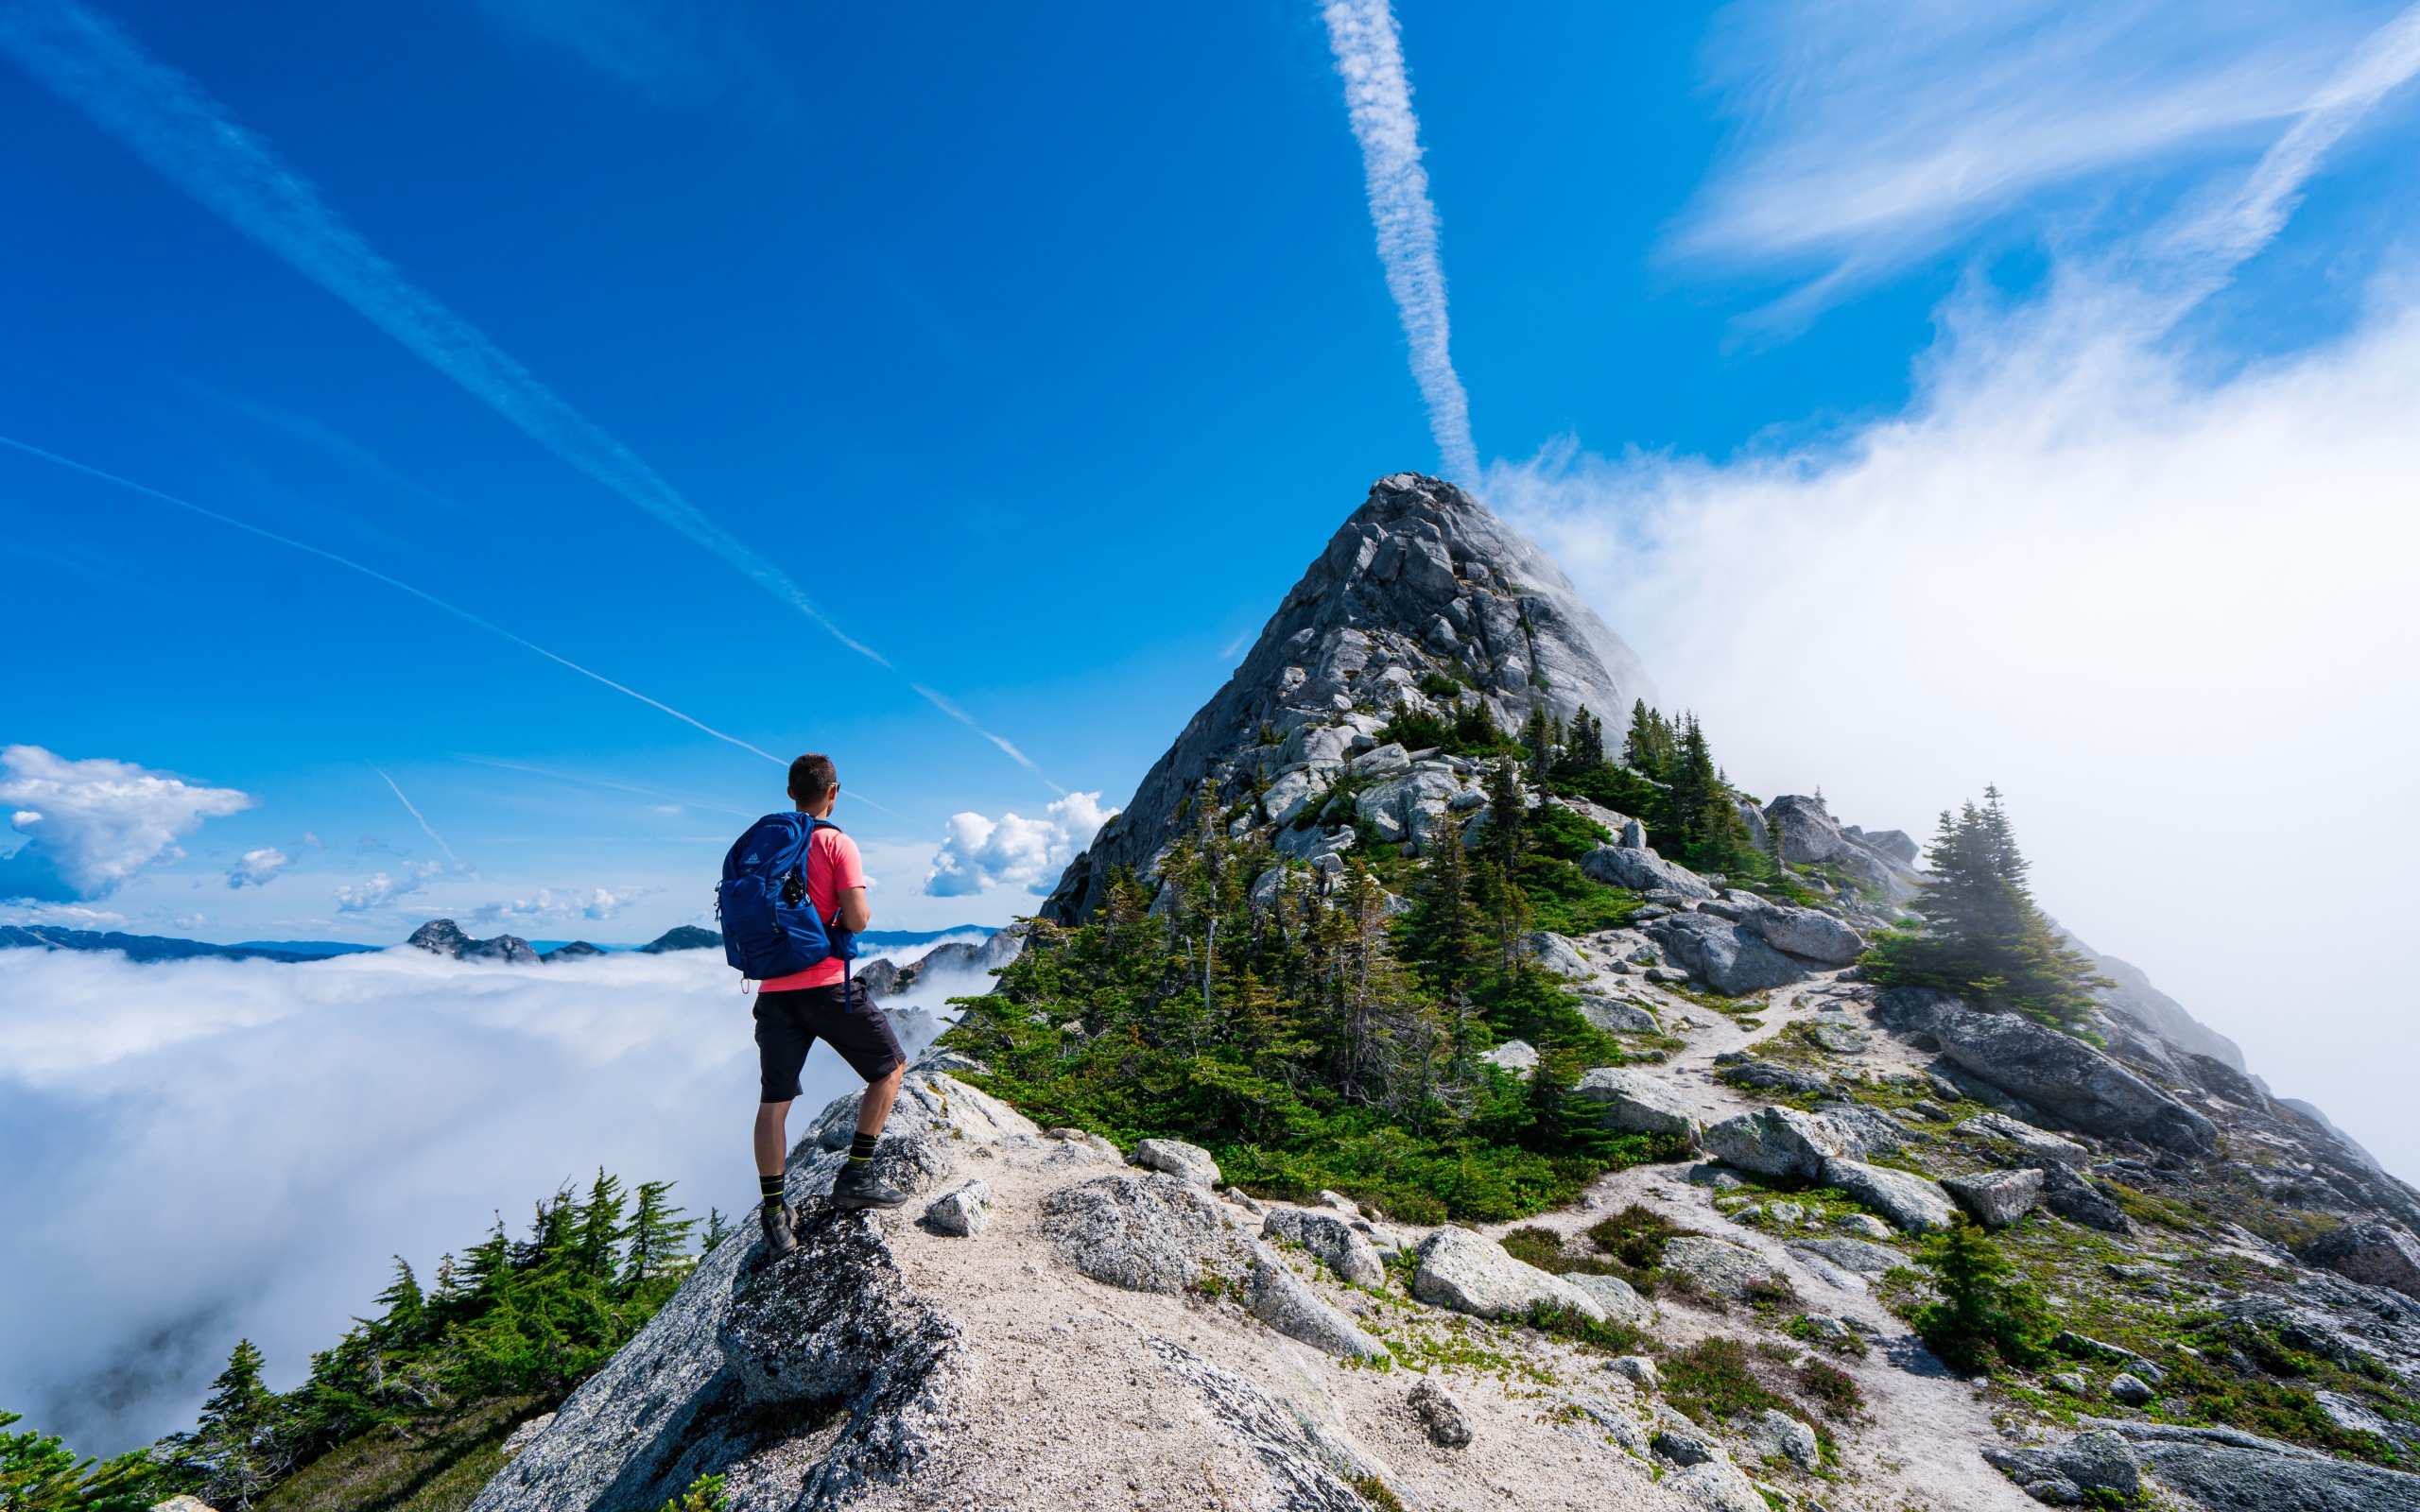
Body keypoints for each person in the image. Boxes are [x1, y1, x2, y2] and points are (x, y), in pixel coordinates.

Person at [752, 752, 908, 1257]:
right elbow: (858, 919)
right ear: (834, 792)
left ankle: (775, 1215)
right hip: (826, 986)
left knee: (773, 1106)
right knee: (890, 1068)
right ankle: (855, 1176)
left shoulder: (767, 846)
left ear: (791, 793)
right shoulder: (837, 843)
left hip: (774, 993)